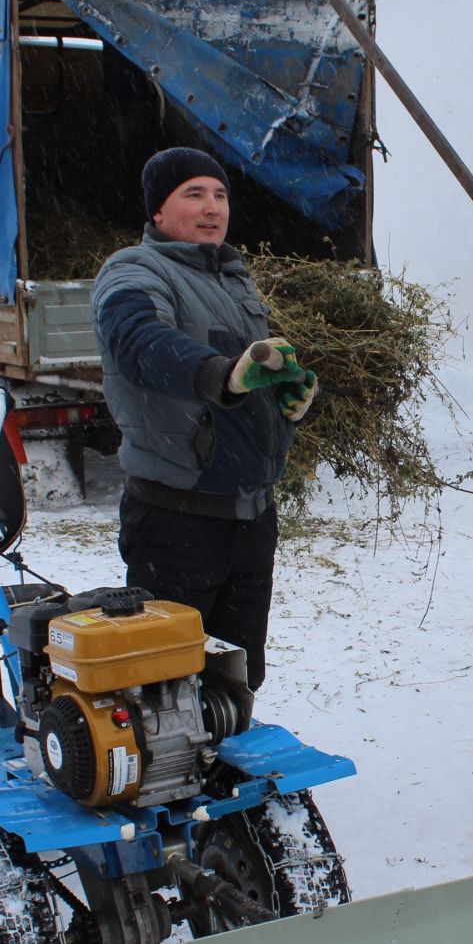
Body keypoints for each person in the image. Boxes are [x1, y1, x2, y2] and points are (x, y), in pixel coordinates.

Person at [91, 147, 318, 690]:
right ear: (158, 213)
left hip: (250, 516)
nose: (212, 206)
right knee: (167, 682)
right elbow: (139, 342)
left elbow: (251, 371)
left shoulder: (233, 281)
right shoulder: (133, 271)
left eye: (220, 195)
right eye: (194, 194)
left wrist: (289, 400)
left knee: (236, 674)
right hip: (178, 520)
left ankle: (224, 766)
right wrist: (225, 374)